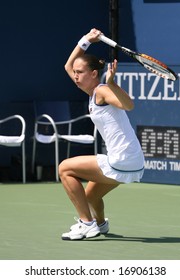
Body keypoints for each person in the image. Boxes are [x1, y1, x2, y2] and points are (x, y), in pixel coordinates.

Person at [59, 28, 144, 240]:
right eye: (76, 73)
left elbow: (129, 105)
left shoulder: (103, 90)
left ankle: (87, 224)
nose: (75, 76)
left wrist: (113, 84)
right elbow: (68, 65)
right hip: (132, 160)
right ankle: (100, 223)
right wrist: (86, 40)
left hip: (122, 158)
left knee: (65, 168)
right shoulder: (93, 92)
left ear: (94, 74)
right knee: (89, 196)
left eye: (80, 73)